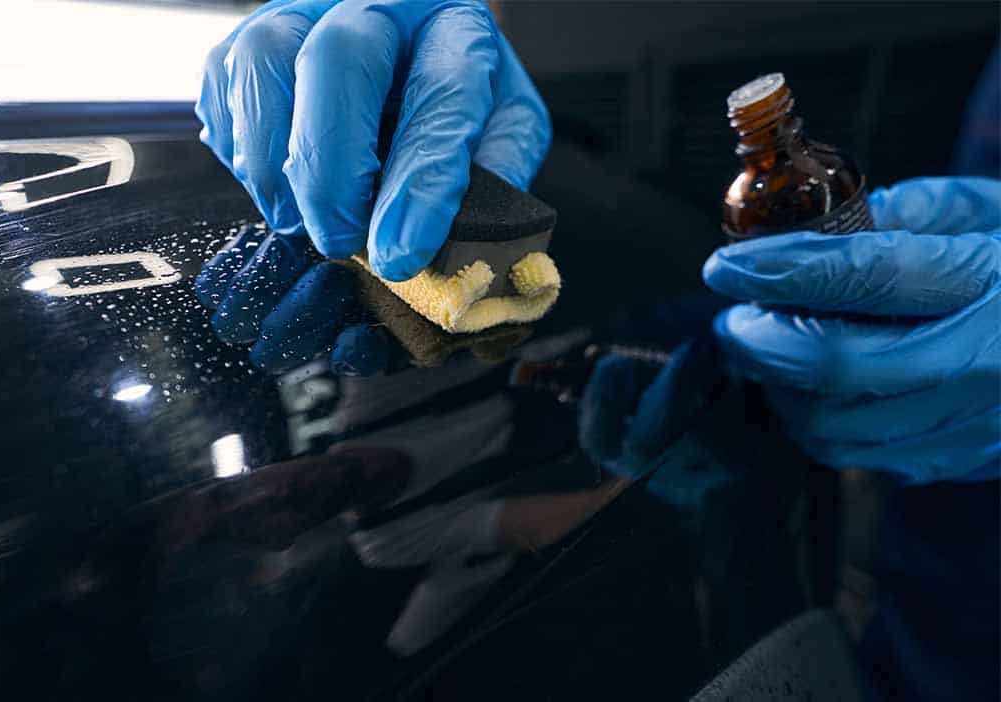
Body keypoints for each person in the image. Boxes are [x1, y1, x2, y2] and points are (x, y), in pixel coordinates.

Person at [195, 2, 1000, 698]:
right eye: (257, 519)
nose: (276, 499)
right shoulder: (389, 534)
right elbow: (538, 508)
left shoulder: (364, 403)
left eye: (249, 493)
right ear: (280, 542)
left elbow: (481, 321)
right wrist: (683, 441)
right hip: (941, 613)